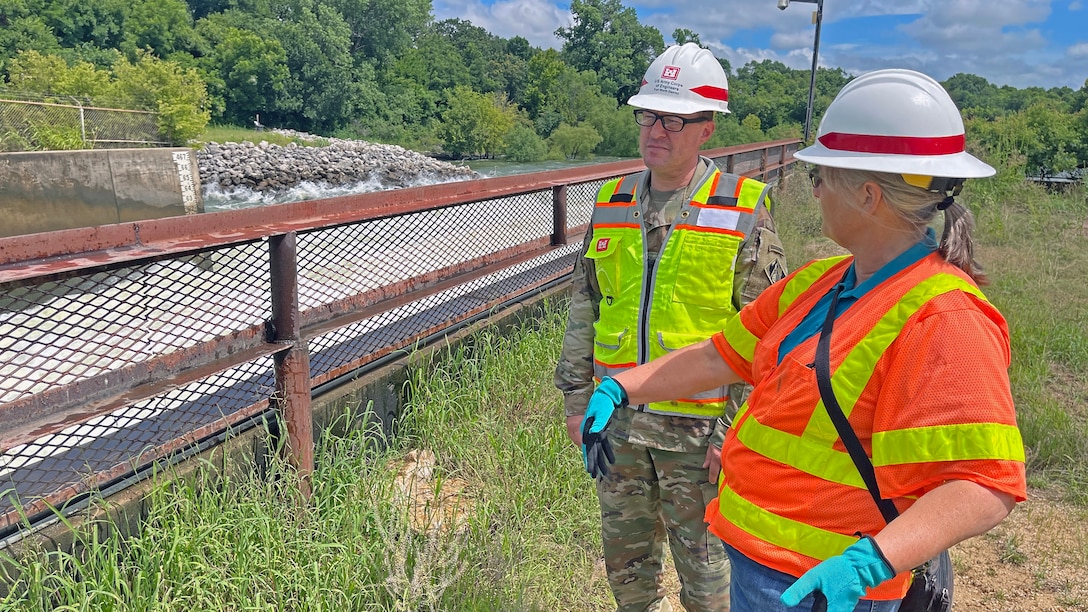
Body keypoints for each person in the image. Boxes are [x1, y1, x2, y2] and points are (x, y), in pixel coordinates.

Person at [578, 68, 1028, 612]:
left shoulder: (945, 316)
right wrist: (621, 387)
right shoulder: (820, 283)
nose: (813, 189)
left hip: (823, 587)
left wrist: (873, 562)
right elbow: (718, 355)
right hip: (758, 562)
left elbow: (986, 483)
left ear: (866, 195)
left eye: (821, 177)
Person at [554, 42, 788, 612]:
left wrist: (738, 427)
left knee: (708, 582)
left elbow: (772, 332)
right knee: (627, 572)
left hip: (699, 435)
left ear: (707, 128)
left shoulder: (742, 208)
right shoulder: (610, 202)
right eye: (648, 115)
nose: (656, 130)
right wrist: (574, 399)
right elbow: (587, 301)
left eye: (674, 119)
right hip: (618, 428)